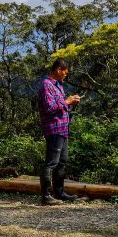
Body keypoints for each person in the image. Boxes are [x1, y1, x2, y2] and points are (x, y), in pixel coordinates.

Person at [37, 57, 81, 206]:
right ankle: (46, 196)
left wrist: (70, 103)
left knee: (62, 162)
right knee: (51, 162)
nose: (65, 75)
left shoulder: (58, 86)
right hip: (54, 129)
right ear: (58, 70)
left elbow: (60, 107)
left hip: (63, 129)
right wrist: (67, 101)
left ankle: (59, 193)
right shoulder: (46, 86)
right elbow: (49, 108)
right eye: (65, 73)